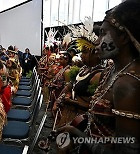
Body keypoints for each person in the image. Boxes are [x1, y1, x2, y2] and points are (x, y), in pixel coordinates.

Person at [56, 0, 140, 153]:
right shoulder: (110, 70)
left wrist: (77, 134)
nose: (96, 42)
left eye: (102, 33)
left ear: (124, 37)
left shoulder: (128, 84)